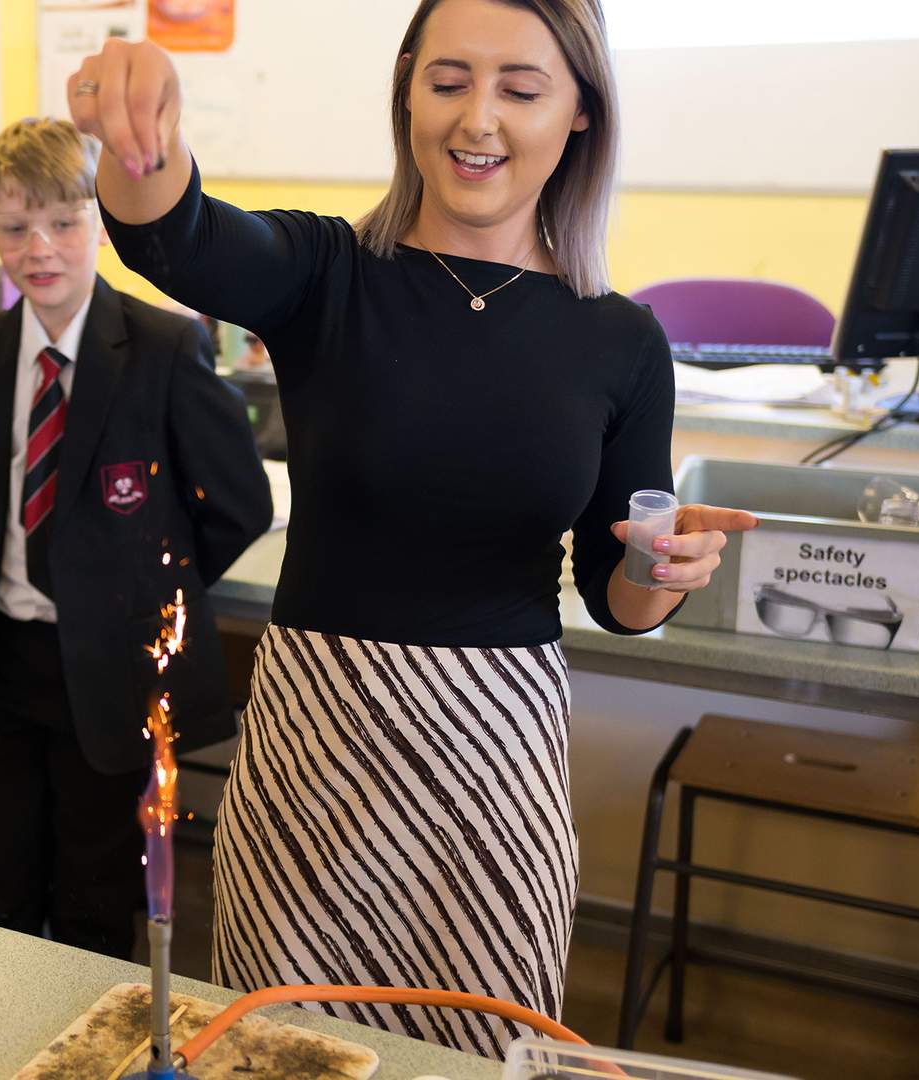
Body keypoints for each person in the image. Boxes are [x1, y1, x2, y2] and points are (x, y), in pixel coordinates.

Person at [69, 0, 759, 1053]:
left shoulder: (619, 339)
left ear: (580, 113)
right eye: (447, 81)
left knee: (481, 1051)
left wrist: (662, 569)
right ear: (407, 94)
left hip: (497, 764)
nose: (478, 119)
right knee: (284, 1051)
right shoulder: (327, 273)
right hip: (317, 754)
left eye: (520, 90)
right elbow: (182, 234)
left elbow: (620, 602)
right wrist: (140, 144)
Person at [0, 118, 270, 959]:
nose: (39, 248)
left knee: (95, 898)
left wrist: (145, 591)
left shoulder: (162, 345)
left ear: (100, 224)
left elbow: (239, 504)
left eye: (63, 223)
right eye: (14, 227)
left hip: (111, 675)